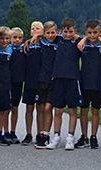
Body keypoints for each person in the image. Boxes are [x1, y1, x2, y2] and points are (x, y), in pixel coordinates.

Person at [46, 18, 82, 150]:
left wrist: (82, 39)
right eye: (65, 32)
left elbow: (93, 38)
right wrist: (37, 35)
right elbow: (46, 34)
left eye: (70, 31)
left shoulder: (78, 41)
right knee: (58, 110)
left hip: (73, 79)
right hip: (58, 79)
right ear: (61, 31)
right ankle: (56, 136)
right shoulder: (58, 39)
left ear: (75, 31)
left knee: (72, 110)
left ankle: (70, 138)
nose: (68, 34)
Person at [76, 19, 101, 149]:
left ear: (99, 32)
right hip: (84, 82)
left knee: (95, 110)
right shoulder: (82, 45)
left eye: (95, 32)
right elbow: (72, 36)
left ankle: (94, 136)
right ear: (86, 33)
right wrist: (82, 39)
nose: (92, 35)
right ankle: (84, 136)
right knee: (83, 111)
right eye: (89, 33)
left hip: (98, 83)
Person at [33, 21, 59, 149]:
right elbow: (35, 38)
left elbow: (74, 37)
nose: (50, 35)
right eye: (48, 33)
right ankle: (39, 133)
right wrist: (36, 36)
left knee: (48, 108)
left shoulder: (59, 41)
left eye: (53, 32)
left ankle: (46, 134)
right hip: (41, 79)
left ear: (57, 32)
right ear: (44, 33)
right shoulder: (41, 42)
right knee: (41, 108)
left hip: (53, 80)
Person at [21, 21, 43, 145]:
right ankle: (28, 133)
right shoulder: (27, 45)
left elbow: (52, 35)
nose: (35, 30)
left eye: (38, 28)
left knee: (40, 109)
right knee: (29, 108)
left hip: (40, 81)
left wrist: (39, 36)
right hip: (29, 80)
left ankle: (40, 133)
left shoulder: (45, 43)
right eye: (33, 28)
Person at [8, 27, 25, 144]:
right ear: (10, 38)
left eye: (19, 38)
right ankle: (4, 132)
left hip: (18, 82)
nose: (17, 40)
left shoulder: (24, 48)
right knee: (5, 109)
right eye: (14, 37)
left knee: (15, 108)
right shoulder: (7, 48)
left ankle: (12, 131)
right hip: (6, 82)